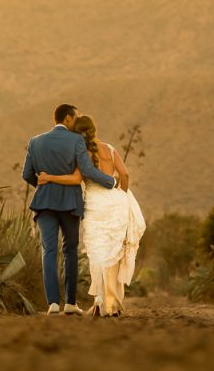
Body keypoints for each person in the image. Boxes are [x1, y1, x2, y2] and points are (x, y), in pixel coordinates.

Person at [36, 113, 146, 316]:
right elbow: (125, 174)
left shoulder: (81, 153)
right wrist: (121, 194)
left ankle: (100, 303)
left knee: (98, 254)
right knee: (114, 253)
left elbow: (75, 179)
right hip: (116, 202)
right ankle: (113, 304)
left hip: (95, 204)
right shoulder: (111, 150)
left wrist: (49, 177)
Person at [21, 103, 119, 314]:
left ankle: (53, 303)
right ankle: (70, 304)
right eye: (77, 117)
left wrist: (43, 185)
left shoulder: (35, 142)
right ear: (67, 118)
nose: (78, 120)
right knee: (70, 251)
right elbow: (86, 169)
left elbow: (27, 174)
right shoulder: (76, 140)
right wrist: (110, 182)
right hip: (69, 203)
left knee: (48, 251)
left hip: (44, 202)